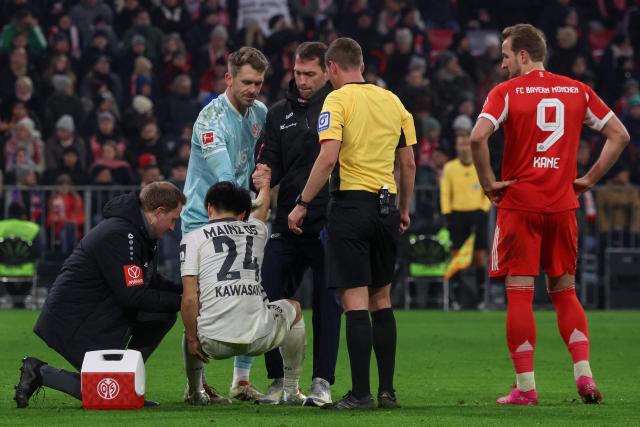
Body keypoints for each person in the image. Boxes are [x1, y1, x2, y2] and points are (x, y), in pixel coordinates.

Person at [469, 23, 630, 406]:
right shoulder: (577, 91)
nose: (503, 64)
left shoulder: (506, 92)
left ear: (523, 55)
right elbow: (620, 135)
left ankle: (526, 388)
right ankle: (584, 376)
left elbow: (477, 137)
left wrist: (489, 182)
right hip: (562, 206)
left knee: (520, 296)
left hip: (520, 205)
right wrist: (588, 179)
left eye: (506, 56)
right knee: (565, 292)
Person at [288, 37, 417, 410]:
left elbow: (328, 158)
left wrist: (301, 204)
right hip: (386, 208)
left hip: (351, 206)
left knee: (354, 300)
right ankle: (387, 392)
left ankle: (360, 393)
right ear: (360, 64)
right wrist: (403, 208)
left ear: (331, 68)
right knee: (382, 299)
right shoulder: (393, 100)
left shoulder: (337, 100)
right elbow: (407, 163)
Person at [14, 182, 186, 408]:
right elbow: (132, 296)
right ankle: (41, 372)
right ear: (159, 212)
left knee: (161, 315)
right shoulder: (121, 234)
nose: (174, 227)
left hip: (91, 313)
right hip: (74, 319)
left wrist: (184, 290)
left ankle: (123, 378)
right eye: (173, 219)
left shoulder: (135, 232)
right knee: (107, 394)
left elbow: (150, 279)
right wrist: (184, 301)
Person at [254, 41, 341, 407]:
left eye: (310, 74)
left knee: (327, 302)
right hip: (286, 220)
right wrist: (260, 182)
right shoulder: (278, 114)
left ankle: (322, 381)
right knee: (267, 296)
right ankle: (278, 381)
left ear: (326, 72)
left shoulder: (339, 107)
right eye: (298, 73)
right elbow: (267, 163)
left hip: (327, 219)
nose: (302, 81)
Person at [181, 46, 269, 402]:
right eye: (247, 82)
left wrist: (265, 177)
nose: (253, 89)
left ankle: (242, 382)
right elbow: (224, 183)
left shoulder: (259, 113)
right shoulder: (210, 120)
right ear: (229, 78)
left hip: (243, 216)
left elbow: (262, 162)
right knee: (198, 304)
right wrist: (261, 199)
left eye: (259, 83)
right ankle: (195, 387)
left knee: (249, 296)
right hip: (205, 221)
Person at [181, 179, 307, 406]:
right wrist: (265, 185)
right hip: (259, 338)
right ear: (243, 214)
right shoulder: (257, 231)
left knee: (191, 320)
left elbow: (189, 297)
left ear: (209, 207)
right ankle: (291, 390)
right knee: (294, 308)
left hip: (212, 342)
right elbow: (262, 209)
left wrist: (192, 339)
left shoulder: (193, 238)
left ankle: (195, 390)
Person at [440, 133, 491, 309]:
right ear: (456, 147)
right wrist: (447, 213)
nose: (464, 147)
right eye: (460, 144)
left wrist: (483, 210)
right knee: (456, 257)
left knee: (479, 258)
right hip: (457, 215)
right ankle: (455, 299)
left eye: (466, 144)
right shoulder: (449, 168)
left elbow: (488, 188)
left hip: (477, 214)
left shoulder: (480, 165)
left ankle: (480, 299)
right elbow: (445, 192)